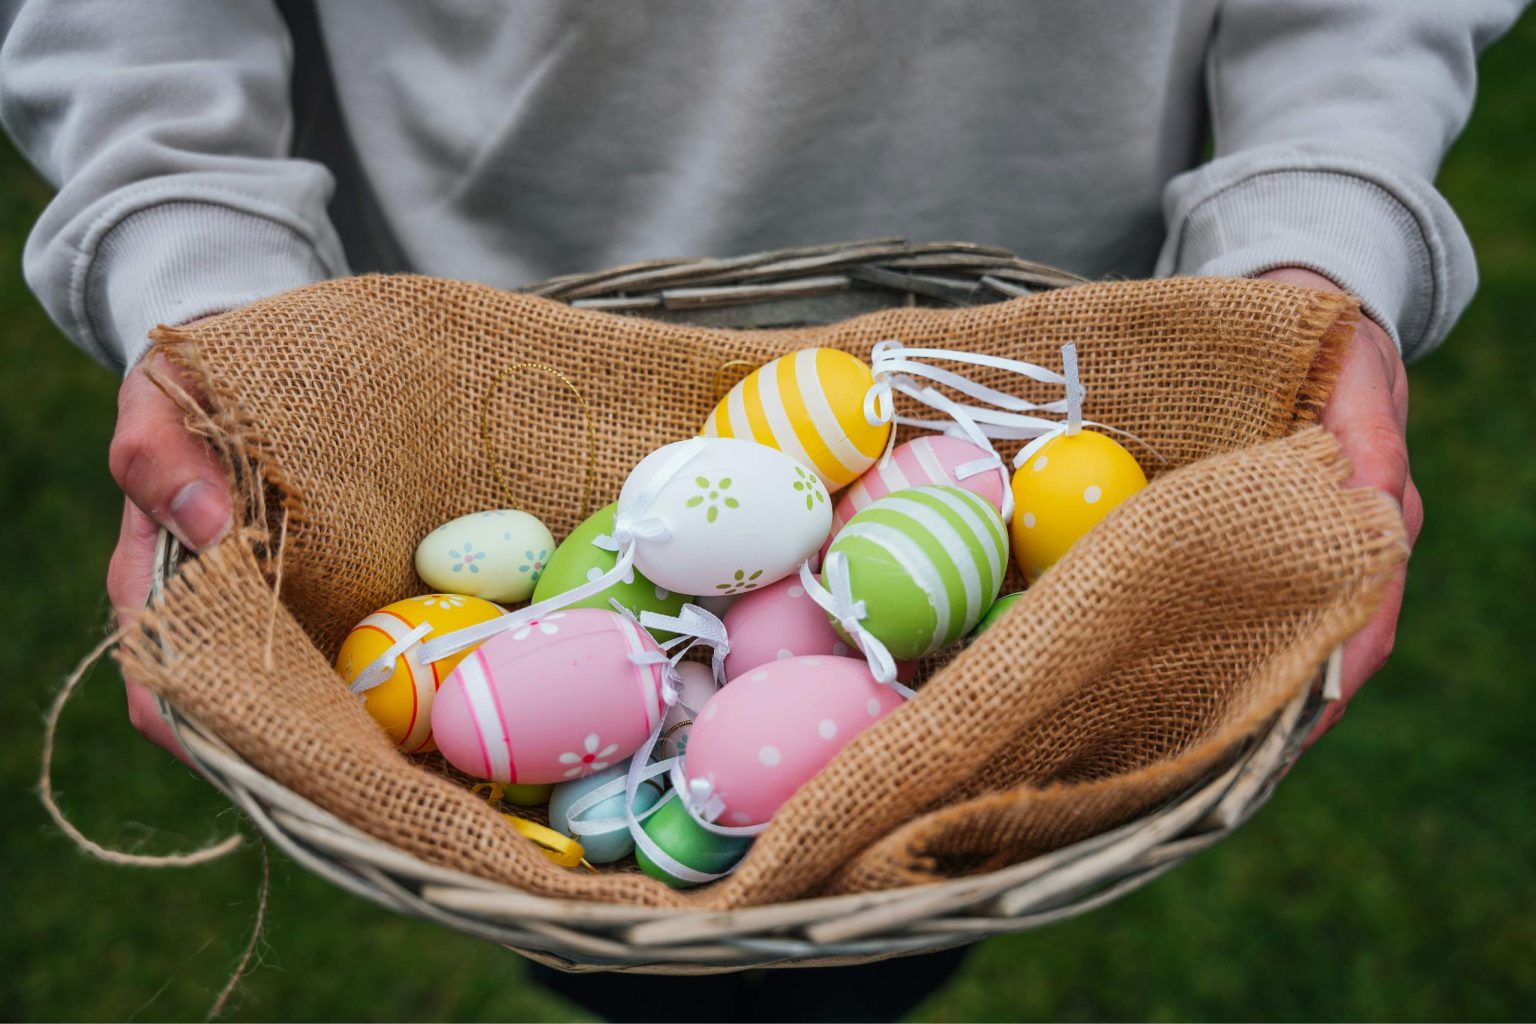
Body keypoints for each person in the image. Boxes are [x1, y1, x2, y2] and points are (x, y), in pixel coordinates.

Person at [1, 1, 1523, 1019]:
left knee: (854, 952)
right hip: (479, 345)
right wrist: (200, 262)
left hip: (1072, 340)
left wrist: (1318, 222)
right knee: (659, 963)